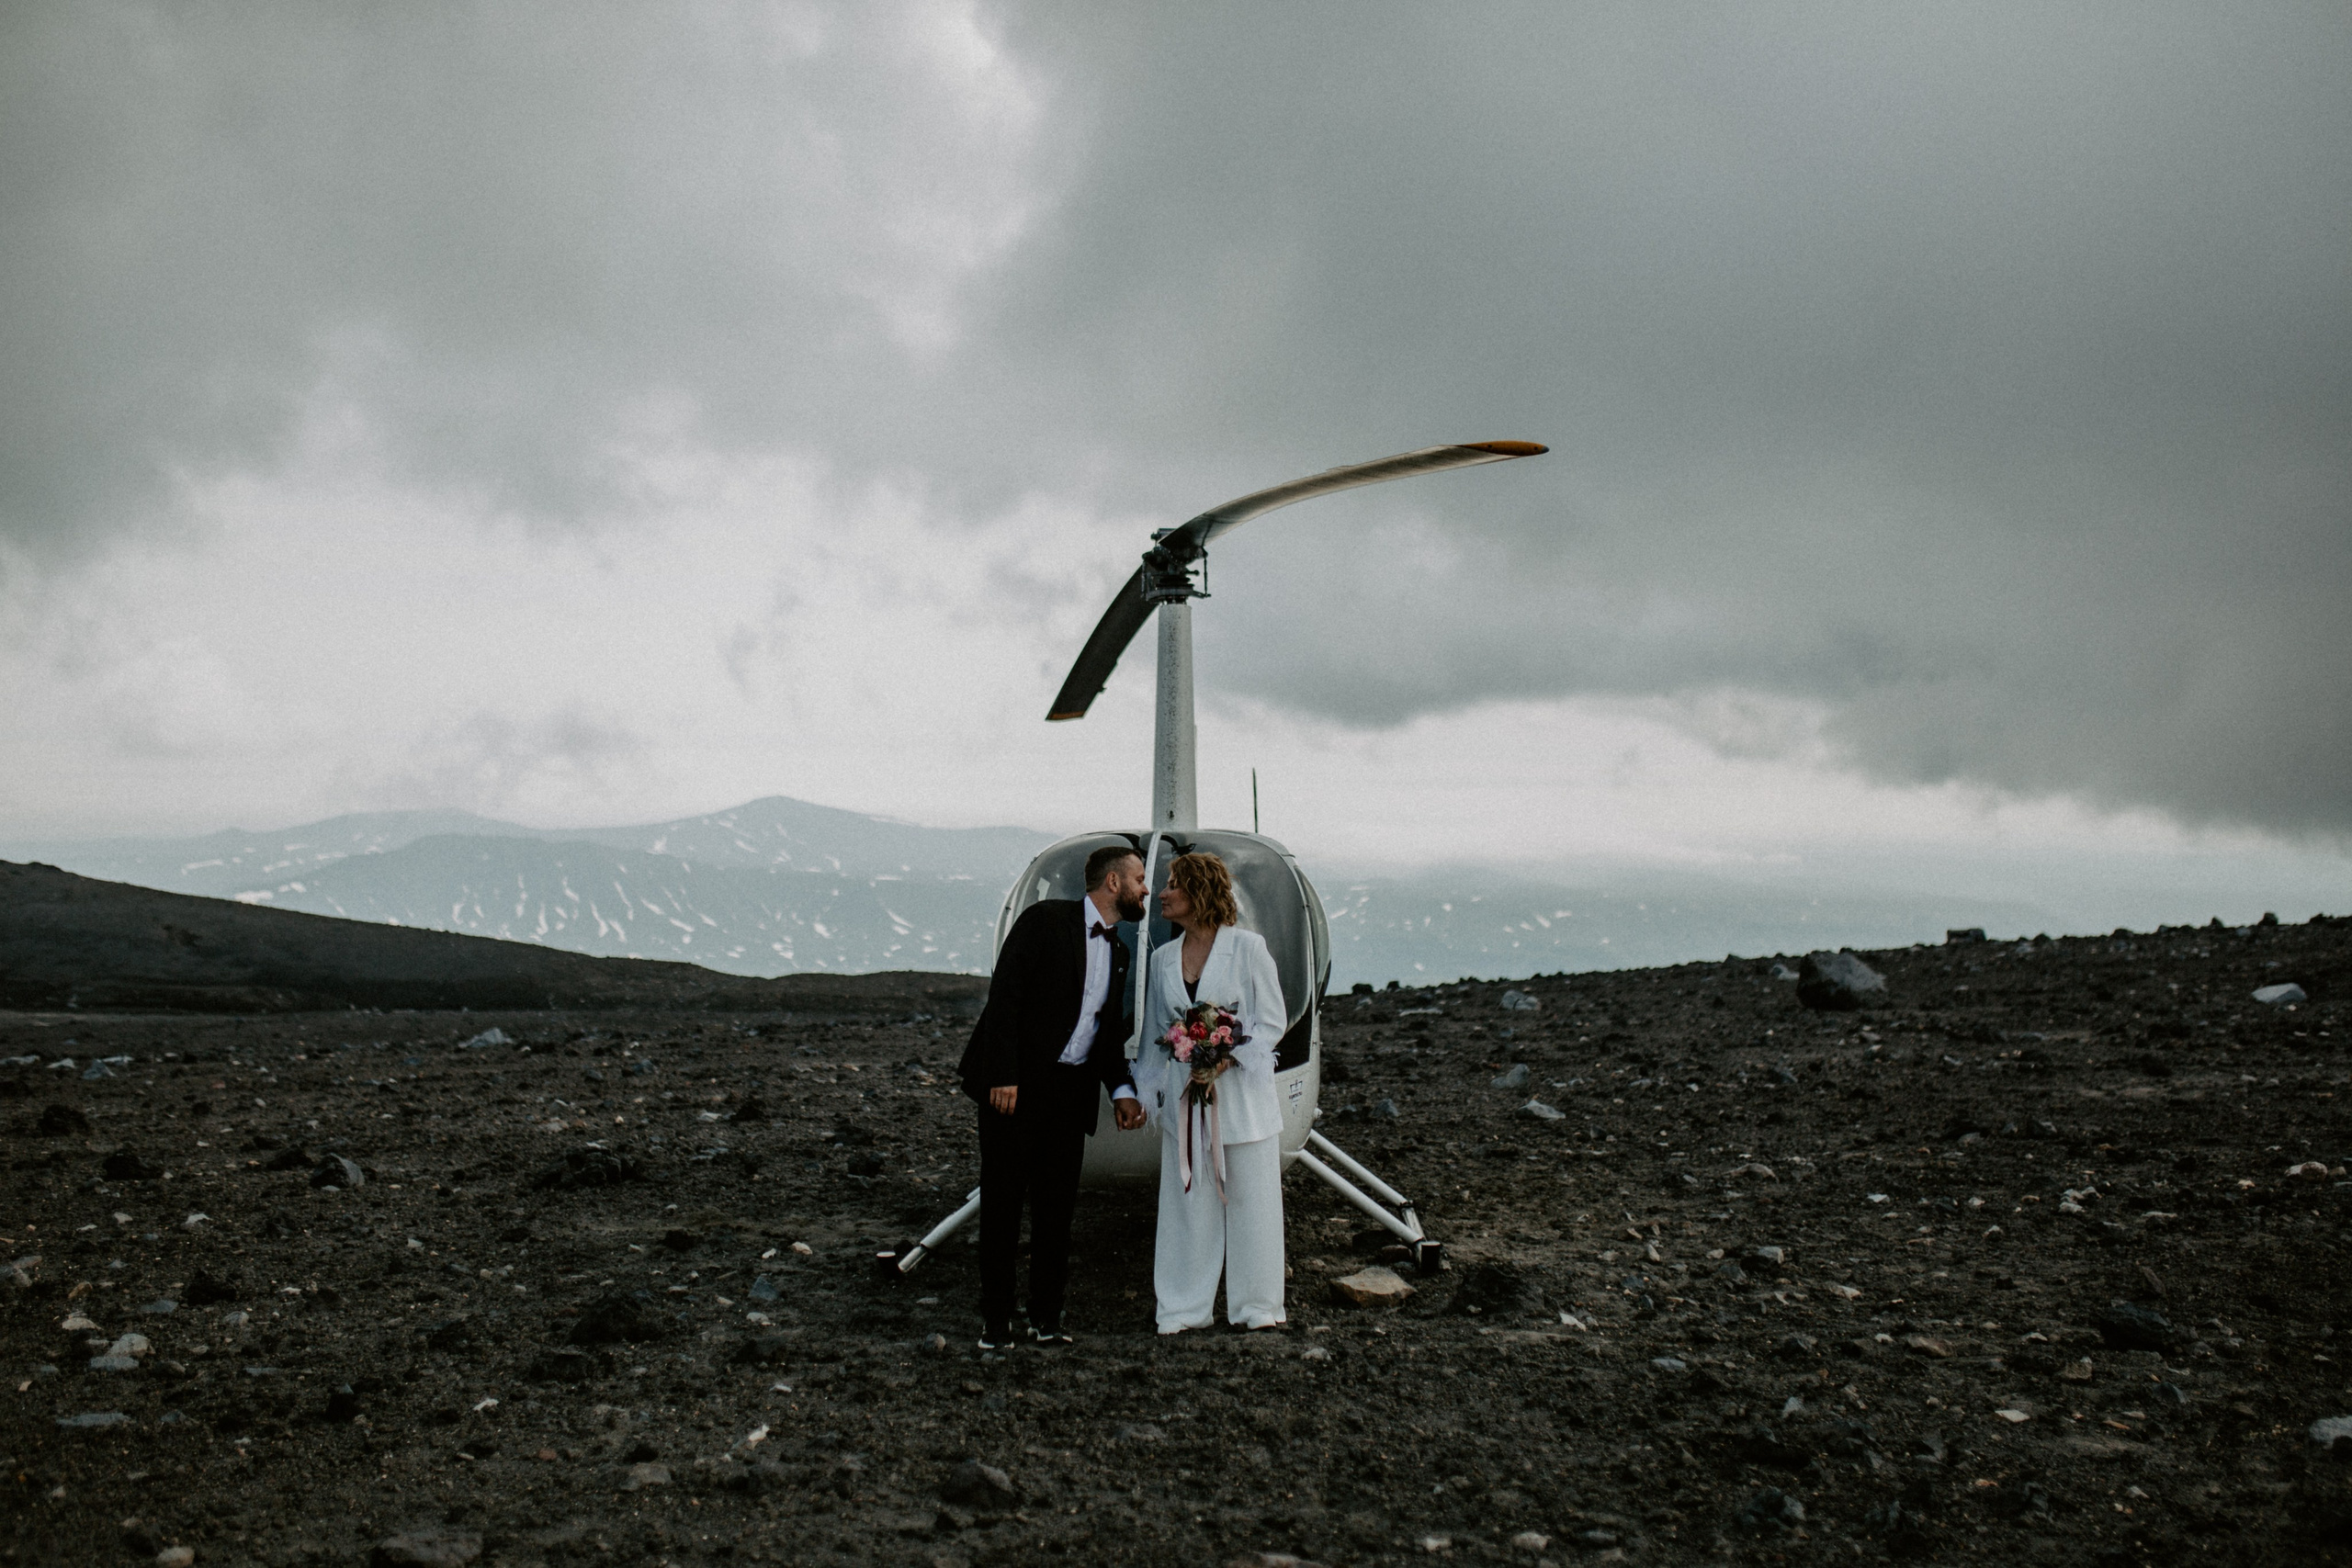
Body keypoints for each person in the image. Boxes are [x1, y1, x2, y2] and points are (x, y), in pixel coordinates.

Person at [956, 843, 1150, 1349]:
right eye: (1139, 879)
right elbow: (1006, 998)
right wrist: (1003, 1074)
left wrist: (1123, 1090)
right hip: (1014, 1090)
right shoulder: (1044, 920)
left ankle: (1046, 1321)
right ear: (1113, 883)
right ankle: (995, 1325)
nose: (1145, 889)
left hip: (1070, 1096)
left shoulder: (1120, 950)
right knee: (1002, 1207)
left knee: (1056, 1213)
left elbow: (1106, 1035)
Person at [1142, 851, 1288, 1333]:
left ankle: (1257, 1308)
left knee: (1253, 1205)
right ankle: (1183, 1309)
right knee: (1187, 1204)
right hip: (1186, 1100)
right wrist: (1145, 1092)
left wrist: (1227, 1056)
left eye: (1172, 885)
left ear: (1198, 891)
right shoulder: (1163, 959)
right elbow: (1154, 1034)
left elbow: (1271, 1022)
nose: (1161, 894)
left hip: (1242, 1100)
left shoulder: (1248, 948)